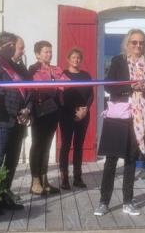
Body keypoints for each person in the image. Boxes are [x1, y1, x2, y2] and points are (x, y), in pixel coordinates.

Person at [94, 29, 145, 217]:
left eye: (142, 43)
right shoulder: (118, 61)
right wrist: (130, 86)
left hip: (139, 117)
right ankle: (103, 202)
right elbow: (109, 86)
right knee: (111, 161)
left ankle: (128, 201)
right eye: (134, 42)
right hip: (119, 115)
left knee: (131, 160)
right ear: (127, 44)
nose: (138, 46)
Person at [0, 32, 31, 214]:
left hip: (19, 120)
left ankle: (5, 194)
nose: (21, 52)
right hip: (2, 120)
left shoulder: (20, 69)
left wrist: (27, 110)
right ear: (8, 46)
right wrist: (16, 113)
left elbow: (30, 90)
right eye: (20, 48)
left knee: (12, 161)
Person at [27, 40, 67, 195]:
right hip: (40, 111)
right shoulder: (33, 69)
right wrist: (55, 85)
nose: (49, 54)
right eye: (46, 52)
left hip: (54, 111)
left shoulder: (55, 69)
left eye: (50, 51)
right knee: (37, 144)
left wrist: (55, 84)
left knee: (47, 146)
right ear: (37, 54)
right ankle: (35, 181)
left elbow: (66, 83)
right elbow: (39, 88)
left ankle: (44, 180)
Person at [60, 47, 93, 189]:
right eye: (73, 57)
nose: (76, 60)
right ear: (68, 59)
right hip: (67, 114)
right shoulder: (63, 74)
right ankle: (64, 178)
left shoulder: (86, 75)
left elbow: (91, 94)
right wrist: (74, 111)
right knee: (66, 145)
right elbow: (61, 96)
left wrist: (85, 109)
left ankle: (78, 177)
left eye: (78, 58)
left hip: (84, 114)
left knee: (79, 146)